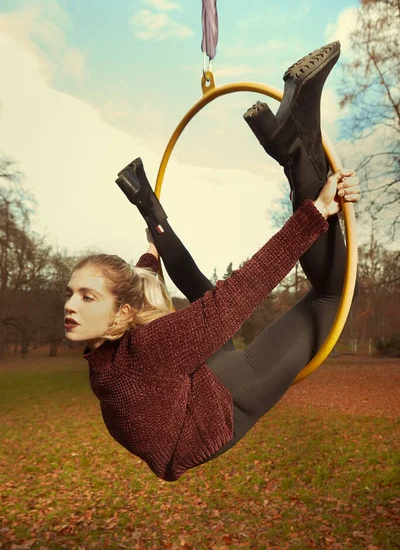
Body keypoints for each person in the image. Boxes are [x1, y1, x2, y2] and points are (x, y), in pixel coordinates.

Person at [65, 41, 360, 482]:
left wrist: (315, 215)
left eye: (86, 296)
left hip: (206, 396)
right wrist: (314, 214)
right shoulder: (128, 349)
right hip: (207, 402)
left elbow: (224, 298)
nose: (70, 305)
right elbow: (208, 297)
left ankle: (294, 151)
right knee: (276, 299)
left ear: (120, 315)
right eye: (72, 293)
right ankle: (292, 150)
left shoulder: (136, 350)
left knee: (286, 298)